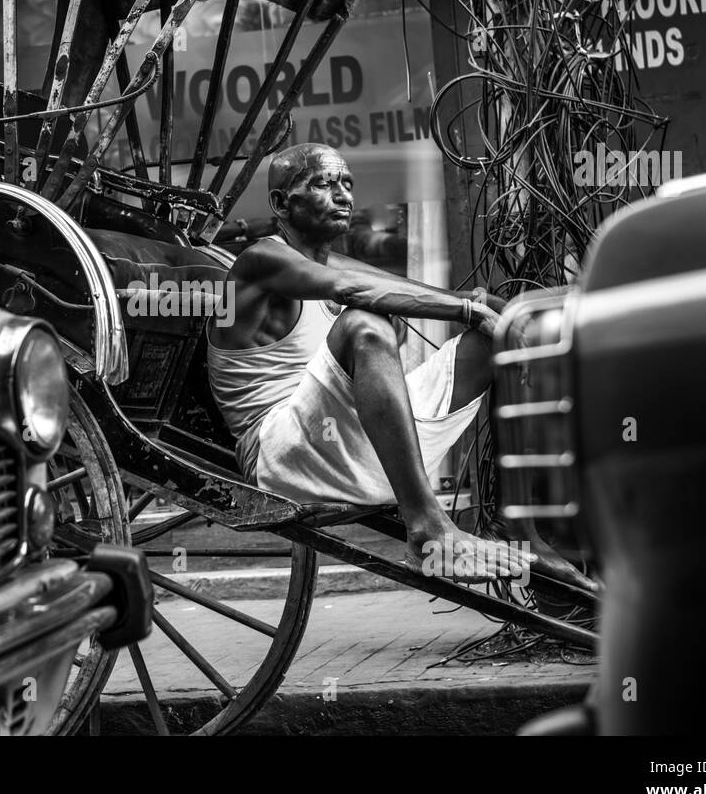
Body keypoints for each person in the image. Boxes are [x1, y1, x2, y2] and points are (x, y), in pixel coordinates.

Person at [208, 143, 569, 584]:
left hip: (352, 442)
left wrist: (495, 310)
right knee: (364, 323)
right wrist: (470, 311)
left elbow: (422, 293)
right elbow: (350, 290)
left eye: (347, 185)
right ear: (282, 203)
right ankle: (427, 529)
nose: (344, 196)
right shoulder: (259, 260)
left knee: (492, 342)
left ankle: (518, 527)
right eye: (323, 183)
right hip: (281, 457)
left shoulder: (332, 261)